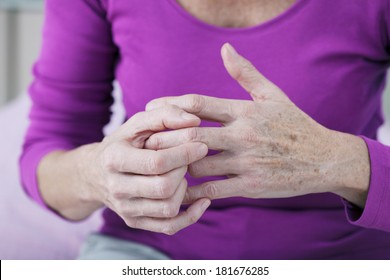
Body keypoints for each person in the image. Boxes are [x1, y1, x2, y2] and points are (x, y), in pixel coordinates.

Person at [20, 0, 390, 259]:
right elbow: (48, 148)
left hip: (341, 257)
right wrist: (94, 174)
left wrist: (335, 160)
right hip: (147, 257)